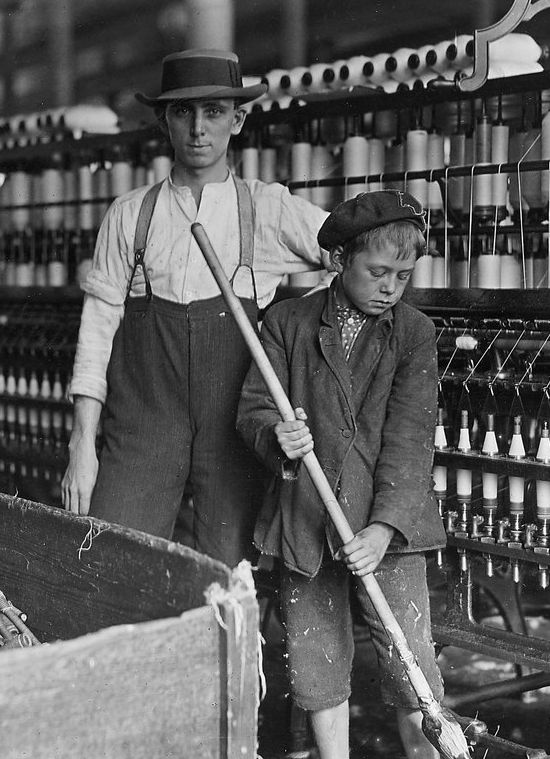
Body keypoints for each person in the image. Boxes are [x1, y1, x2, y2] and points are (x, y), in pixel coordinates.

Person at [61, 48, 329, 567]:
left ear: (238, 118)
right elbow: (95, 334)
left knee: (228, 578)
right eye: (184, 113)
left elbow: (354, 248)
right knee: (113, 557)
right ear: (164, 120)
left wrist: (300, 326)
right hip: (143, 423)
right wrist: (81, 448)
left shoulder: (266, 208)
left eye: (214, 112)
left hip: (233, 426)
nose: (199, 129)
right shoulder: (128, 215)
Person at [236, 190, 447, 759]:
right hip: (307, 519)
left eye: (403, 276)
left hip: (391, 530)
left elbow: (409, 443)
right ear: (339, 261)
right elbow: (255, 410)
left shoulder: (413, 333)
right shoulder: (286, 323)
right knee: (317, 665)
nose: (390, 288)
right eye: (378, 272)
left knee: (411, 664)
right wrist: (277, 438)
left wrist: (384, 529)